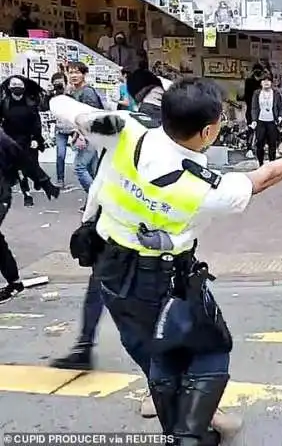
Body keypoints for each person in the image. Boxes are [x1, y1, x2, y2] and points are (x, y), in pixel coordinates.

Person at [49, 77, 282, 444]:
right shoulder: (204, 188)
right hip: (160, 279)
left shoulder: (126, 131)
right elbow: (261, 178)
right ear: (208, 131)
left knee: (150, 349)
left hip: (108, 269)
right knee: (210, 350)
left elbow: (59, 105)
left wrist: (102, 121)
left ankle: (180, 421)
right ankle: (188, 434)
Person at [49, 72, 171, 419]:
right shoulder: (169, 128)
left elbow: (60, 106)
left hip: (121, 235)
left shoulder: (123, 124)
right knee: (107, 294)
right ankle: (85, 347)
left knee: (138, 318)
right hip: (144, 235)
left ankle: (163, 386)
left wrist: (89, 219)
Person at [0, 129, 59, 302]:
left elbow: (24, 160)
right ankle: (14, 282)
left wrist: (44, 182)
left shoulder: (3, 140)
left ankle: (14, 283)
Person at [0, 76, 46, 207]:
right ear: (9, 88)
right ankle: (27, 194)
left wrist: (36, 138)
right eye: (13, 85)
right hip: (12, 140)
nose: (16, 88)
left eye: (19, 85)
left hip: (28, 139)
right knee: (20, 169)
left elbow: (37, 123)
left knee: (32, 165)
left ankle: (37, 179)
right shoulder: (5, 103)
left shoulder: (30, 104)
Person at [67, 61, 104, 196]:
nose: (74, 75)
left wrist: (81, 134)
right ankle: (96, 202)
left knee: (80, 167)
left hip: (90, 135)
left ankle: (96, 199)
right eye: (71, 72)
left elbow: (91, 115)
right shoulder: (76, 91)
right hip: (90, 135)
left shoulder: (87, 92)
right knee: (92, 169)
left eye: (77, 72)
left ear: (84, 74)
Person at [249, 71, 282, 164]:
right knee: (259, 143)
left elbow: (280, 107)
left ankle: (272, 163)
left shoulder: (276, 93)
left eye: (268, 80)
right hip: (260, 121)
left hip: (272, 122)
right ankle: (261, 163)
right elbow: (254, 108)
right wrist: (254, 120)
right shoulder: (257, 93)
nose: (266, 82)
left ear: (271, 82)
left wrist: (280, 117)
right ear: (261, 82)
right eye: (264, 80)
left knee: (272, 144)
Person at [49, 72, 72, 188]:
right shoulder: (52, 95)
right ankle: (60, 179)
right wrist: (49, 94)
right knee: (60, 155)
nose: (58, 86)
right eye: (56, 84)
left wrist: (67, 93)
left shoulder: (71, 93)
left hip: (74, 128)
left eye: (60, 83)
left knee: (83, 154)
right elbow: (44, 106)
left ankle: (89, 176)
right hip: (60, 129)